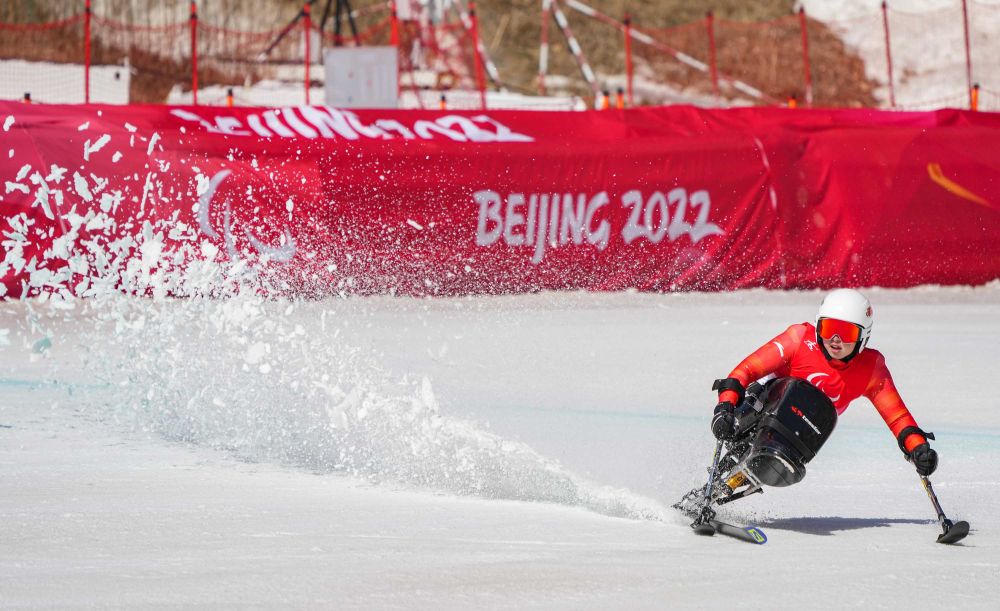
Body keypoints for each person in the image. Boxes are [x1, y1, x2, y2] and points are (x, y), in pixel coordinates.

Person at [709, 288, 938, 477]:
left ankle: (753, 472)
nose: (835, 340)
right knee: (784, 400)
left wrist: (918, 448)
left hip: (803, 432)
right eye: (829, 329)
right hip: (764, 404)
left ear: (863, 336)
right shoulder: (798, 339)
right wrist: (725, 407)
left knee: (815, 412)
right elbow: (746, 371)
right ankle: (724, 474)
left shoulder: (871, 370)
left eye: (845, 332)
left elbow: (897, 417)